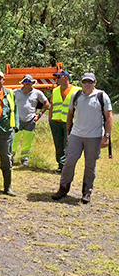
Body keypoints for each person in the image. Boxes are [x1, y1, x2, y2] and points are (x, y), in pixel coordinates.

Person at [52, 73, 112, 204]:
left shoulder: (102, 96)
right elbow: (70, 115)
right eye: (85, 81)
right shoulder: (76, 95)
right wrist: (69, 132)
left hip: (94, 136)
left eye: (90, 81)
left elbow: (109, 117)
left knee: (90, 165)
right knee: (69, 162)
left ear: (95, 82)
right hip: (76, 135)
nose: (87, 84)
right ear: (81, 82)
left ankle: (86, 192)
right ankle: (63, 189)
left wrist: (106, 136)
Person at [12, 75, 50, 166]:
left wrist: (39, 115)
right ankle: (10, 157)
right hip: (17, 120)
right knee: (13, 139)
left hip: (30, 120)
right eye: (25, 81)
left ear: (33, 82)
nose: (28, 83)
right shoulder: (15, 92)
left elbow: (46, 103)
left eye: (30, 81)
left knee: (28, 140)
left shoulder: (37, 93)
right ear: (22, 82)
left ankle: (24, 158)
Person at [49, 69, 81, 173]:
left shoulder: (77, 91)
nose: (56, 79)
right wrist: (50, 119)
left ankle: (68, 166)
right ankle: (61, 165)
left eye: (59, 77)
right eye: (56, 77)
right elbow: (52, 106)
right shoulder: (55, 90)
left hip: (70, 122)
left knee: (69, 144)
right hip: (56, 121)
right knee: (58, 145)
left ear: (66, 77)